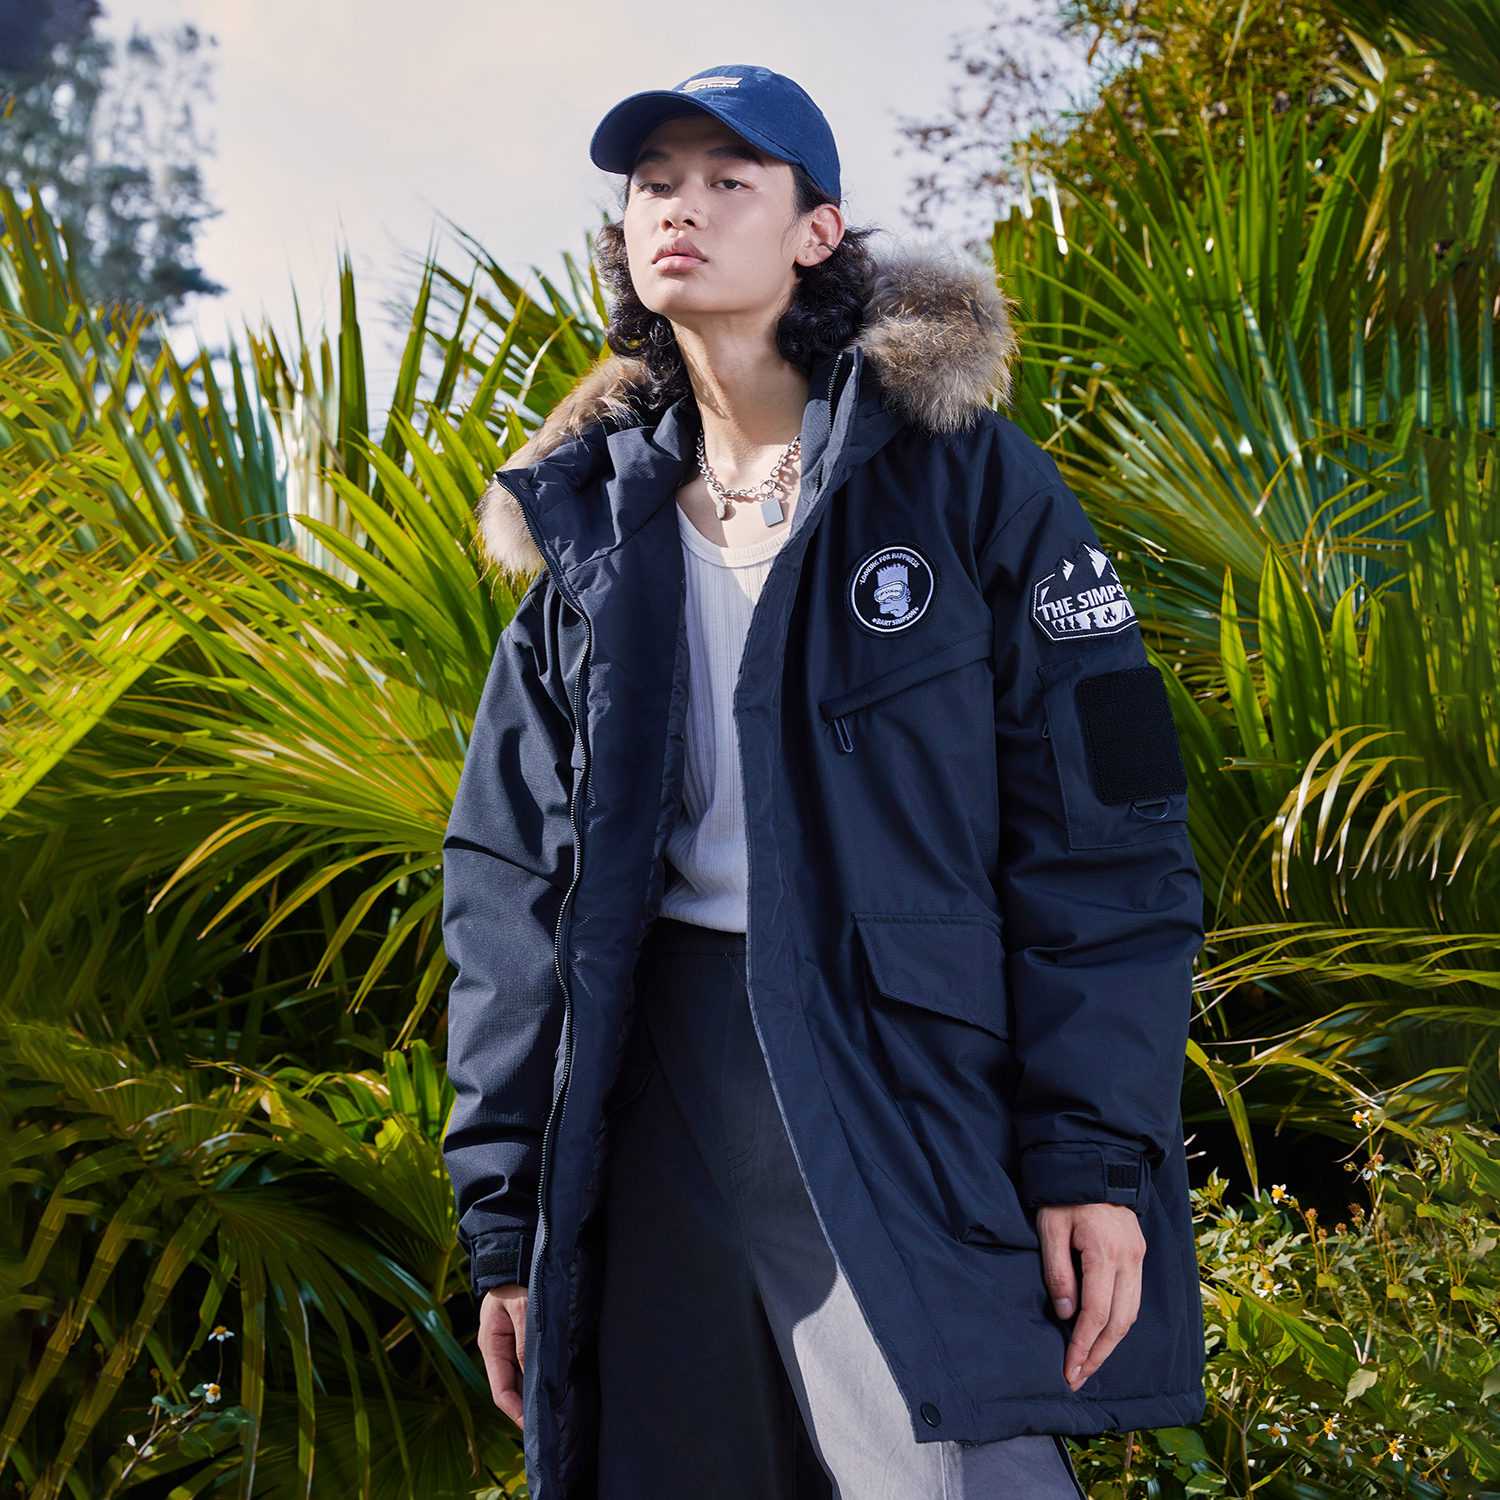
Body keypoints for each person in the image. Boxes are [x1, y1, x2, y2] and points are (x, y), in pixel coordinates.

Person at [442, 63, 1205, 1500]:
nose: (681, 208)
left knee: (961, 1477)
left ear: (817, 233)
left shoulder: (964, 481)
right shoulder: (591, 532)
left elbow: (1107, 831)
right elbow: (504, 887)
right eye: (654, 184)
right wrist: (508, 1223)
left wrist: (1093, 1158)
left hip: (901, 1070)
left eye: (729, 181)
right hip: (651, 1088)